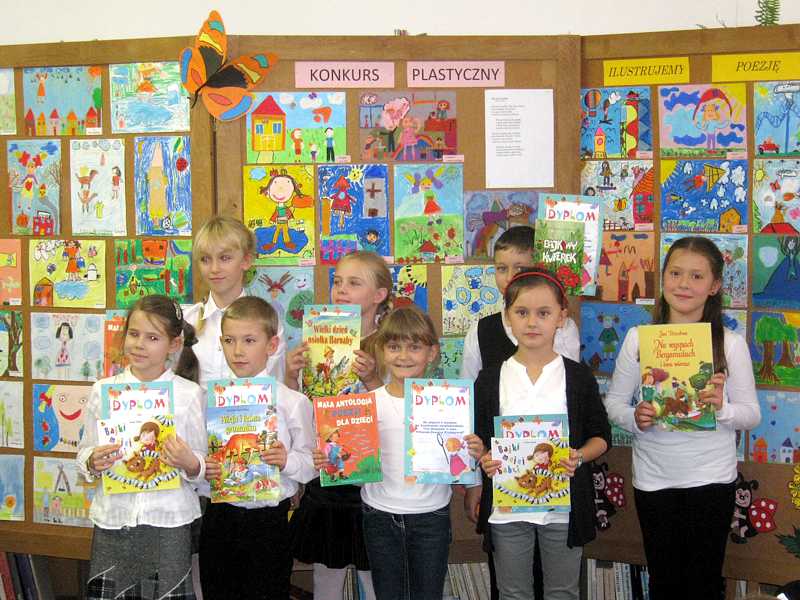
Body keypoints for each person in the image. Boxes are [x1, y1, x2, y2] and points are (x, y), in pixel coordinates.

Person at [603, 236, 760, 600]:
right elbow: (614, 405)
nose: (684, 284)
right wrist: (635, 417)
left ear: (714, 286)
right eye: (675, 273)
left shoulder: (730, 343)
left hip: (711, 480)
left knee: (704, 583)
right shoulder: (638, 339)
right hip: (654, 480)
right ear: (663, 279)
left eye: (696, 276)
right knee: (664, 582)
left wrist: (722, 409)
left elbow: (751, 415)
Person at [466, 268, 611, 600]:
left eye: (543, 313)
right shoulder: (489, 379)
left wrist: (579, 456)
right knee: (513, 593)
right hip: (507, 508)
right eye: (522, 312)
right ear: (508, 317)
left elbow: (601, 435)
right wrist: (484, 458)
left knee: (562, 592)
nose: (532, 322)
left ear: (561, 317)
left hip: (563, 509)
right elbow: (478, 438)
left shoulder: (577, 377)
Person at [460, 226, 581, 599]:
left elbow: (570, 405)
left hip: (557, 491)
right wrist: (473, 482)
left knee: (555, 582)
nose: (510, 277)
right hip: (502, 487)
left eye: (520, 268)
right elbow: (469, 414)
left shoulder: (564, 329)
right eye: (501, 268)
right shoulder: (480, 331)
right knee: (510, 584)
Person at [315, 306, 451, 599]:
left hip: (431, 515)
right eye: (394, 347)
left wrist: (471, 449)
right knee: (387, 592)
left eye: (414, 347)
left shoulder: (447, 403)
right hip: (379, 514)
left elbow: (458, 457)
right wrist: (329, 459)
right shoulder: (366, 404)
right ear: (382, 351)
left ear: (431, 353)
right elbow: (350, 465)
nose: (403, 356)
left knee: (428, 593)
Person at [76, 295, 206, 599]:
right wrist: (92, 460)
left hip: (169, 521)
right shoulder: (103, 390)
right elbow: (84, 453)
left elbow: (201, 465)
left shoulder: (188, 395)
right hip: (114, 521)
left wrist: (189, 462)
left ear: (174, 344)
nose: (139, 344)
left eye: (152, 338)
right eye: (134, 334)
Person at [287, 250, 392, 600]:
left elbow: (397, 411)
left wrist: (373, 378)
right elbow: (299, 409)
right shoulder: (317, 340)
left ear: (379, 295)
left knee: (373, 569)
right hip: (327, 472)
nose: (341, 289)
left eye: (354, 283)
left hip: (373, 478)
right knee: (327, 568)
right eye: (337, 282)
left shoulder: (391, 345)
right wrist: (291, 374)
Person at [200, 296, 315, 599]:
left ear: (272, 345)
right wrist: (202, 467)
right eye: (229, 340)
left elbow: (310, 464)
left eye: (249, 340)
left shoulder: (292, 401)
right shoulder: (208, 399)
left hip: (269, 520)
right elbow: (197, 461)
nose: (238, 351)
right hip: (220, 516)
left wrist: (286, 461)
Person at [185, 215, 286, 389]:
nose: (214, 269)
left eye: (225, 258)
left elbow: (273, 388)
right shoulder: (187, 321)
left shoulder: (267, 321)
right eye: (205, 259)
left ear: (246, 261)